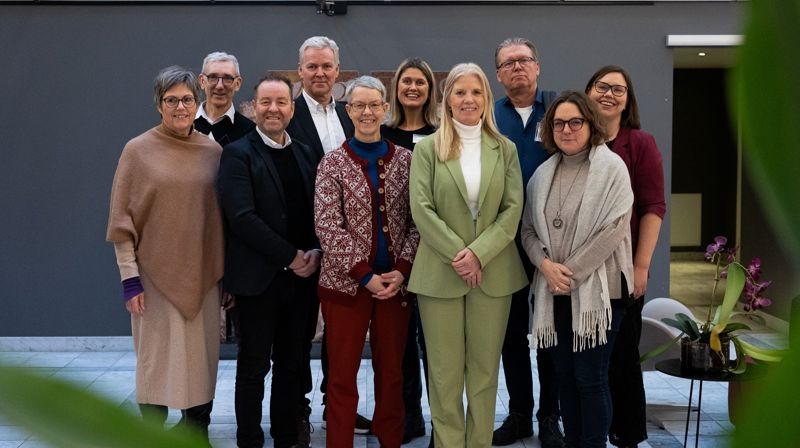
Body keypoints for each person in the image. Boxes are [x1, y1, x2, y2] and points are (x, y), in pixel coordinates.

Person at [409, 63, 528, 448]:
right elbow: (421, 209)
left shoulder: (505, 148)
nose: (468, 99)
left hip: (493, 274)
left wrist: (478, 254)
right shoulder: (427, 148)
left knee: (483, 374)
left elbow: (512, 211)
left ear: (485, 98)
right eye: (459, 92)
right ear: (447, 100)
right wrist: (460, 255)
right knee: (443, 377)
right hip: (439, 275)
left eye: (476, 91)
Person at [106, 66, 224, 447]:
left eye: (187, 99)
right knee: (156, 364)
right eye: (171, 100)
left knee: (200, 363)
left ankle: (195, 432)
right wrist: (129, 278)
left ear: (197, 103)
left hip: (204, 275)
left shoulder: (213, 151)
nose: (179, 107)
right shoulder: (137, 150)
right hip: (152, 278)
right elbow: (122, 220)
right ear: (158, 105)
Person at [521, 91, 633, 448]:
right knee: (565, 377)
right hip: (553, 290)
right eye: (558, 123)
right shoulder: (542, 173)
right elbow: (527, 230)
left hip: (601, 293)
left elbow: (615, 229)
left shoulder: (611, 168)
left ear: (590, 124)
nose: (566, 130)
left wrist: (569, 273)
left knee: (591, 379)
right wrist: (546, 266)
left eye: (574, 122)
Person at [314, 76, 419, 448]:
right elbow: (327, 226)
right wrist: (364, 275)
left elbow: (417, 223)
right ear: (349, 110)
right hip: (345, 288)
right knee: (342, 376)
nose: (367, 112)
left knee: (391, 375)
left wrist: (401, 271)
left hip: (396, 287)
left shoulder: (408, 161)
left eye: (375, 104)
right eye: (359, 105)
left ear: (386, 109)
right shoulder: (332, 163)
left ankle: (391, 440)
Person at [217, 74, 321, 448]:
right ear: (253, 107)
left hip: (301, 281)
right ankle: (249, 438)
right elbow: (242, 218)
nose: (273, 109)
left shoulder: (306, 153)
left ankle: (285, 436)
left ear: (292, 109)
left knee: (293, 364)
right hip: (258, 281)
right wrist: (291, 256)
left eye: (281, 102)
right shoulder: (237, 154)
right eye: (266, 102)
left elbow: (316, 212)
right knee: (253, 367)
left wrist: (313, 253)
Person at [284, 36, 369, 437]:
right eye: (312, 66)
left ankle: (338, 406)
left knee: (341, 338)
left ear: (338, 71)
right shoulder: (288, 114)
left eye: (327, 66)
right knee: (300, 334)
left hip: (352, 249)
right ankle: (298, 409)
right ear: (300, 71)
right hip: (307, 246)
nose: (320, 73)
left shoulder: (352, 115)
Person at [585, 65, 666, 448]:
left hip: (622, 269)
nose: (609, 94)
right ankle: (589, 430)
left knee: (621, 358)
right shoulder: (574, 140)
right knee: (584, 359)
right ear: (587, 93)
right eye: (602, 86)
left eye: (618, 89)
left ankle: (628, 434)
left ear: (627, 100)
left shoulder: (641, 143)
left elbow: (653, 207)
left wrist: (641, 266)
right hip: (579, 271)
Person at [491, 37, 564, 448]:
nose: (517, 67)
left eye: (524, 60)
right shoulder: (489, 114)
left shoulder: (558, 112)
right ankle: (520, 413)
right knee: (512, 332)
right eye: (508, 63)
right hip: (503, 240)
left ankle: (550, 414)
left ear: (537, 66)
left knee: (549, 330)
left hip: (551, 242)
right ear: (498, 74)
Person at [379, 56, 439, 445]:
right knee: (399, 346)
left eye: (420, 81)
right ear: (396, 89)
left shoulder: (441, 135)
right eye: (406, 82)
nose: (413, 87)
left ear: (430, 88)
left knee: (434, 344)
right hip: (393, 253)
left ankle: (443, 420)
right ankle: (408, 415)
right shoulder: (382, 135)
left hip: (434, 251)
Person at [194, 51, 255, 146]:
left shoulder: (250, 132)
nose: (219, 86)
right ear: (202, 81)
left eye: (227, 79)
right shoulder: (184, 125)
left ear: (237, 84)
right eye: (213, 77)